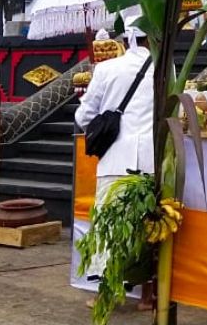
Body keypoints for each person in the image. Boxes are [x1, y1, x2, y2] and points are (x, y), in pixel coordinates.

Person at [74, 28, 155, 310]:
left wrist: (100, 129)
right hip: (150, 159)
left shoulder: (108, 68)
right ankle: (148, 296)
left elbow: (83, 115)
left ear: (124, 40)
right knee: (148, 228)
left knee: (109, 228)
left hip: (115, 159)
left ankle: (106, 295)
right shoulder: (165, 65)